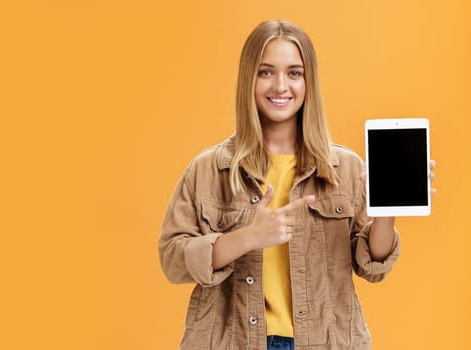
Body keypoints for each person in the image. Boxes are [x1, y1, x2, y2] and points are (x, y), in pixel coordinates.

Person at [158, 20, 436, 350]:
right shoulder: (209, 169)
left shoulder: (343, 169)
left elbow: (372, 266)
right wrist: (248, 237)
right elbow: (173, 261)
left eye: (294, 73)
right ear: (249, 78)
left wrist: (386, 210)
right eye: (265, 72)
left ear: (308, 82)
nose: (280, 86)